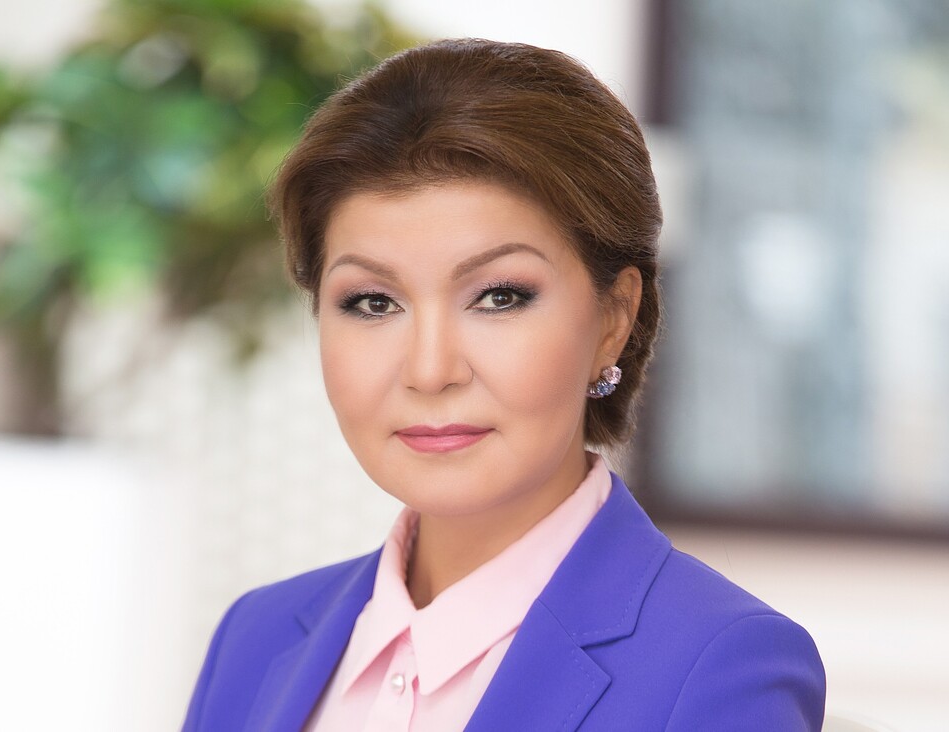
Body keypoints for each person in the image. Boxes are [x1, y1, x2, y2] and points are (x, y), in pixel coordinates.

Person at [181, 38, 826, 731]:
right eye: (373, 302)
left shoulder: (721, 668)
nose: (430, 370)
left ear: (614, 318)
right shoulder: (255, 639)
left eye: (499, 297)